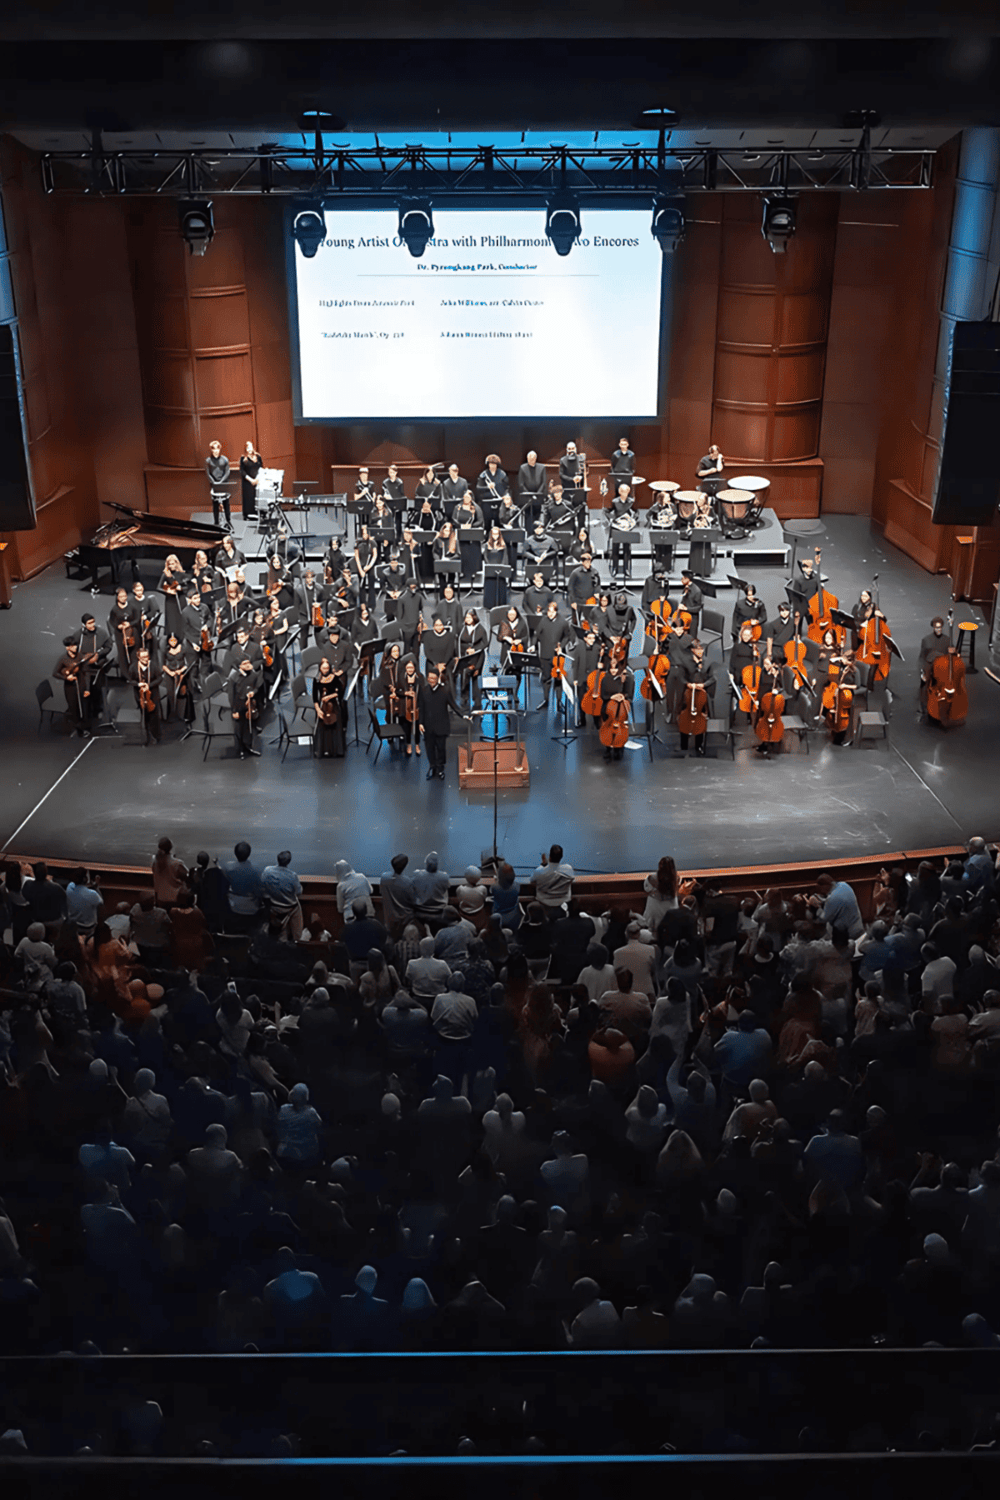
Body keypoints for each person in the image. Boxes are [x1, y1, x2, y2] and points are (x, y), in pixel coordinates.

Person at [417, 667, 467, 782]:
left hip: (441, 725)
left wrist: (463, 715)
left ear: (438, 678)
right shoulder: (424, 690)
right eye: (429, 678)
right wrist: (420, 723)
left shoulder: (445, 690)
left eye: (433, 678)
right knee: (429, 748)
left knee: (440, 748)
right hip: (428, 726)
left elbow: (453, 705)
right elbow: (421, 708)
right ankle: (432, 767)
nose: (431, 680)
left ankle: (440, 768)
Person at [261, 851, 304, 940]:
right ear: (289, 861)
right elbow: (299, 892)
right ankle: (297, 938)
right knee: (297, 919)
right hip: (290, 906)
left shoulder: (267, 871)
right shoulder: (292, 876)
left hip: (273, 905)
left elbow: (263, 884)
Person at [227, 657, 262, 758]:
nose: (248, 664)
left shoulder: (253, 674)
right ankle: (241, 749)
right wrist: (234, 710)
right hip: (238, 705)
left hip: (249, 704)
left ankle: (249, 746)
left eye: (249, 662)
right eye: (245, 663)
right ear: (240, 666)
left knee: (249, 727)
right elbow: (231, 695)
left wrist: (253, 692)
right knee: (239, 728)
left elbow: (256, 687)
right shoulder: (233, 677)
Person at [533, 845, 575, 916]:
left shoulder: (539, 871)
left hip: (544, 902)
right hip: (562, 901)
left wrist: (544, 865)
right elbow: (570, 881)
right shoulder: (568, 869)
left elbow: (533, 882)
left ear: (550, 857)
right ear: (561, 856)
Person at [205, 439, 232, 529]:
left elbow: (227, 472)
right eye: (214, 449)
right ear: (211, 450)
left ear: (219, 449)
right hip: (214, 485)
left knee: (226, 504)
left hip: (223, 484)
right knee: (215, 505)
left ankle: (228, 521)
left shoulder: (224, 459)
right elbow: (208, 473)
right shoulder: (208, 460)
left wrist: (221, 482)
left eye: (217, 449)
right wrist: (214, 482)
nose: (216, 451)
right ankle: (216, 522)